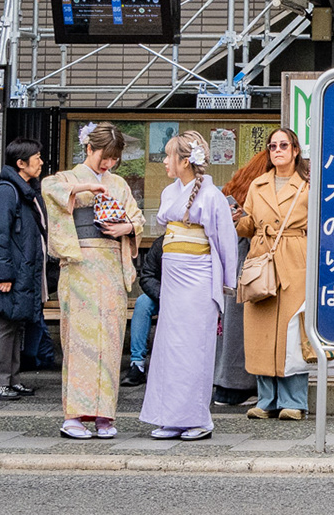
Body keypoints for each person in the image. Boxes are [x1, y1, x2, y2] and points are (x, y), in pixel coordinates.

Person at [42, 122, 142, 440]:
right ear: (89, 148)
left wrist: (127, 228)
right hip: (81, 264)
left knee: (110, 343)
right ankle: (74, 416)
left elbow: (137, 217)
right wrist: (80, 190)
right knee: (80, 343)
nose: (108, 165)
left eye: (114, 159)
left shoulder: (119, 184)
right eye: (104, 157)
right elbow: (48, 188)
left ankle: (104, 416)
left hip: (111, 267)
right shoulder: (67, 178)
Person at [140, 131, 238, 440]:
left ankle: (198, 418)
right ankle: (170, 416)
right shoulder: (171, 192)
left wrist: (226, 282)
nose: (165, 161)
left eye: (169, 156)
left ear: (185, 161)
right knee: (170, 347)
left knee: (194, 347)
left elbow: (225, 242)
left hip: (197, 278)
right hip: (173, 275)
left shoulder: (212, 196)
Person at [235, 128, 310, 420]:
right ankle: (266, 399)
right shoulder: (258, 184)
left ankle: (294, 400)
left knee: (292, 330)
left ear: (294, 150)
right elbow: (249, 225)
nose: (277, 150)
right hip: (263, 257)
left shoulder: (307, 184)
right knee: (262, 331)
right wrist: (237, 219)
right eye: (273, 146)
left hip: (295, 256)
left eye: (283, 145)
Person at [0, 138, 47, 401]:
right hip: (11, 271)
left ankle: (11, 379)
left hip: (21, 269)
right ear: (20, 163)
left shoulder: (24, 189)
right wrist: (3, 274)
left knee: (16, 322)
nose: (41, 162)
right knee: (5, 323)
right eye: (36, 158)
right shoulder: (7, 191)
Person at [212, 149, 271, 407]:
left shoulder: (234, 189)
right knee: (242, 326)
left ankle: (223, 384)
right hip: (250, 260)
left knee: (228, 327)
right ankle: (238, 385)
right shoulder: (263, 190)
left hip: (228, 261)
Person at [121, 237, 162, 387]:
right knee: (142, 303)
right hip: (163, 295)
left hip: (190, 298)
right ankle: (137, 364)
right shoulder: (161, 243)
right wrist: (162, 294)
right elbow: (147, 276)